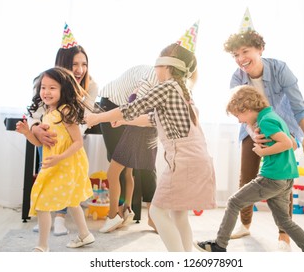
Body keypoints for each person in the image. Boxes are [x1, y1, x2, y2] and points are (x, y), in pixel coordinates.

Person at [85, 42, 217, 252]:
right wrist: (125, 122)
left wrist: (96, 117)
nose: (154, 69)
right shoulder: (182, 92)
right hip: (197, 159)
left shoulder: (166, 87)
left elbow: (131, 108)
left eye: (157, 63)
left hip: (183, 161)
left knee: (156, 212)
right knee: (178, 215)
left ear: (166, 66)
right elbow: (152, 119)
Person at [224, 29, 304, 251]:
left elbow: (298, 105)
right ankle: (245, 223)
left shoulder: (280, 69)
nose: (240, 59)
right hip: (254, 128)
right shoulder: (237, 77)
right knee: (247, 175)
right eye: (235, 55)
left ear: (260, 49)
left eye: (245, 51)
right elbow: (239, 109)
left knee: (282, 175)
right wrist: (252, 131)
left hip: (283, 127)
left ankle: (284, 235)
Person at [194, 85, 304, 252]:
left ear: (246, 108)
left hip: (272, 177)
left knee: (233, 202)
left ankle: (219, 245)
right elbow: (293, 143)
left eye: (238, 115)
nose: (239, 120)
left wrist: (262, 151)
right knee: (284, 222)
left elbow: (287, 143)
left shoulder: (265, 120)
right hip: (285, 178)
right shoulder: (273, 116)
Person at [28, 25, 98, 236]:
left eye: (83, 64)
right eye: (74, 64)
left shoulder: (90, 86)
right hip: (47, 134)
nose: (79, 69)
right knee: (48, 174)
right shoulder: (45, 81)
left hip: (70, 138)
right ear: (62, 64)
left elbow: (86, 118)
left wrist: (67, 131)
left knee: (66, 177)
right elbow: (34, 113)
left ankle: (60, 217)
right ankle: (46, 213)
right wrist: (36, 129)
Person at [16, 67, 95, 252]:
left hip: (68, 163)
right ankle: (85, 234)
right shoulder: (47, 112)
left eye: (52, 88)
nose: (46, 92)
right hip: (55, 162)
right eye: (43, 87)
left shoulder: (65, 111)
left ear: (63, 89)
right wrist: (28, 132)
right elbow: (38, 143)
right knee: (72, 199)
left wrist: (59, 157)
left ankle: (42, 247)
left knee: (43, 202)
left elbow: (77, 143)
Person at [96, 65, 159, 233]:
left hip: (131, 111)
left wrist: (125, 120)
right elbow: (135, 101)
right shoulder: (154, 77)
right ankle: (122, 210)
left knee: (124, 167)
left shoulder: (165, 81)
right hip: (114, 104)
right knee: (122, 165)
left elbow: (136, 104)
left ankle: (119, 213)